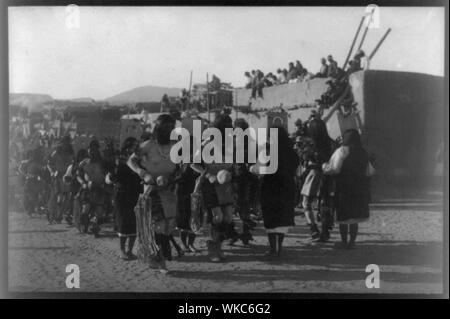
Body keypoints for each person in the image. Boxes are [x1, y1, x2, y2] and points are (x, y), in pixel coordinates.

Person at [128, 114, 178, 273]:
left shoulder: (175, 146)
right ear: (159, 128)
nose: (169, 130)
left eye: (172, 127)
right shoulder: (148, 145)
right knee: (159, 227)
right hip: (152, 191)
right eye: (166, 127)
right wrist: (143, 174)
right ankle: (160, 260)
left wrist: (174, 177)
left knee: (169, 227)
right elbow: (131, 161)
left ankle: (155, 257)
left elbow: (180, 166)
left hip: (169, 190)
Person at [191, 113, 236, 262]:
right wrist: (208, 175)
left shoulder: (232, 144)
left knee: (228, 217)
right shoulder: (207, 144)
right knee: (217, 217)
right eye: (226, 126)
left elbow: (234, 164)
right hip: (210, 185)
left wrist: (231, 172)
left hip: (226, 186)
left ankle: (220, 246)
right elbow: (193, 163)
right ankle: (212, 249)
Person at [250, 126, 299, 258]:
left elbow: (258, 169)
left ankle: (273, 249)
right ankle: (280, 248)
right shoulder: (291, 152)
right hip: (287, 187)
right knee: (282, 219)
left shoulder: (267, 152)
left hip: (270, 187)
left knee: (271, 218)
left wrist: (252, 169)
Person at [322, 129, 373, 249]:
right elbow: (369, 171)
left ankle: (344, 242)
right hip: (358, 188)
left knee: (344, 216)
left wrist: (324, 166)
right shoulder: (362, 152)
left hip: (343, 187)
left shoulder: (342, 151)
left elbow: (334, 168)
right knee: (354, 216)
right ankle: (352, 242)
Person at [106, 137, 143, 260]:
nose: (135, 148)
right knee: (123, 224)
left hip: (135, 194)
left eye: (136, 145)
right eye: (133, 145)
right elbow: (113, 177)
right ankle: (122, 250)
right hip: (122, 196)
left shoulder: (139, 160)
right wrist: (112, 175)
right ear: (127, 147)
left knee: (133, 224)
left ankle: (130, 250)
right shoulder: (119, 161)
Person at [300, 118, 335, 241]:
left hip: (314, 174)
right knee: (325, 204)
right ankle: (325, 231)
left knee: (306, 202)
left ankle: (313, 228)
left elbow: (306, 160)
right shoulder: (331, 143)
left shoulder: (310, 145)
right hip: (328, 175)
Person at [77, 139, 107, 237]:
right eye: (91, 149)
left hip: (99, 190)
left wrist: (105, 182)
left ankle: (95, 226)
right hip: (87, 190)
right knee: (86, 208)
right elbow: (78, 175)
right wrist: (83, 183)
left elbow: (108, 173)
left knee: (99, 211)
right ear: (88, 150)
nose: (93, 151)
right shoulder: (83, 163)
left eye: (95, 149)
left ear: (98, 150)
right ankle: (84, 225)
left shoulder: (103, 162)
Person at [46, 135, 74, 224]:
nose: (66, 144)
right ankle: (53, 214)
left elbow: (74, 164)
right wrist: (52, 172)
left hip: (68, 178)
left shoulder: (71, 153)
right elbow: (49, 163)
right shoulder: (56, 153)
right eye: (64, 142)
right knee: (58, 197)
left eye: (67, 142)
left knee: (66, 198)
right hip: (58, 177)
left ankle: (60, 215)